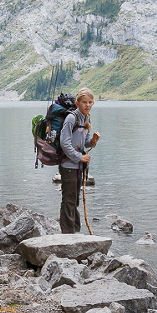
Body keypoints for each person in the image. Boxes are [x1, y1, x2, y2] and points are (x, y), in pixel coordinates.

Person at [58, 88, 100, 234]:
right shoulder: (72, 118)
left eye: (90, 102)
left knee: (74, 199)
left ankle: (74, 230)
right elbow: (65, 143)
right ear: (77, 103)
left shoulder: (86, 118)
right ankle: (67, 233)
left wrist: (92, 141)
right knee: (69, 199)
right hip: (68, 165)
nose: (87, 105)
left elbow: (84, 142)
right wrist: (79, 157)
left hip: (77, 167)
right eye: (84, 102)